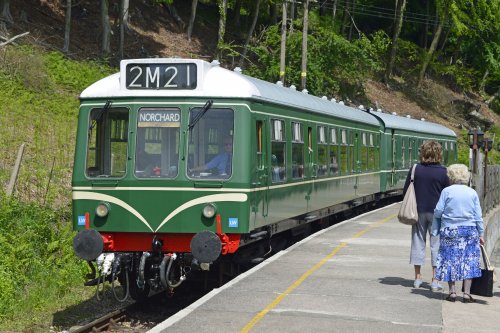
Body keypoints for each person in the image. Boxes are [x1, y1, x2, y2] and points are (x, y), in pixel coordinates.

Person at [431, 164, 484, 303]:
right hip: (469, 230)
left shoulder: (446, 191)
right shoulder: (472, 192)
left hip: (450, 230)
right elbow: (478, 216)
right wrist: (481, 233)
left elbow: (438, 210)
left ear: (451, 176)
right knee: (469, 260)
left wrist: (441, 219)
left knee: (449, 259)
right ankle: (466, 294)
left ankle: (452, 292)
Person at [403, 140, 449, 292]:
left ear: (423, 152)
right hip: (437, 214)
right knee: (436, 245)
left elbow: (406, 191)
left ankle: (417, 278)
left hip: (418, 211)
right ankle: (435, 280)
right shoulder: (444, 172)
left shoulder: (415, 169)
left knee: (418, 242)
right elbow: (447, 195)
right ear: (438, 153)